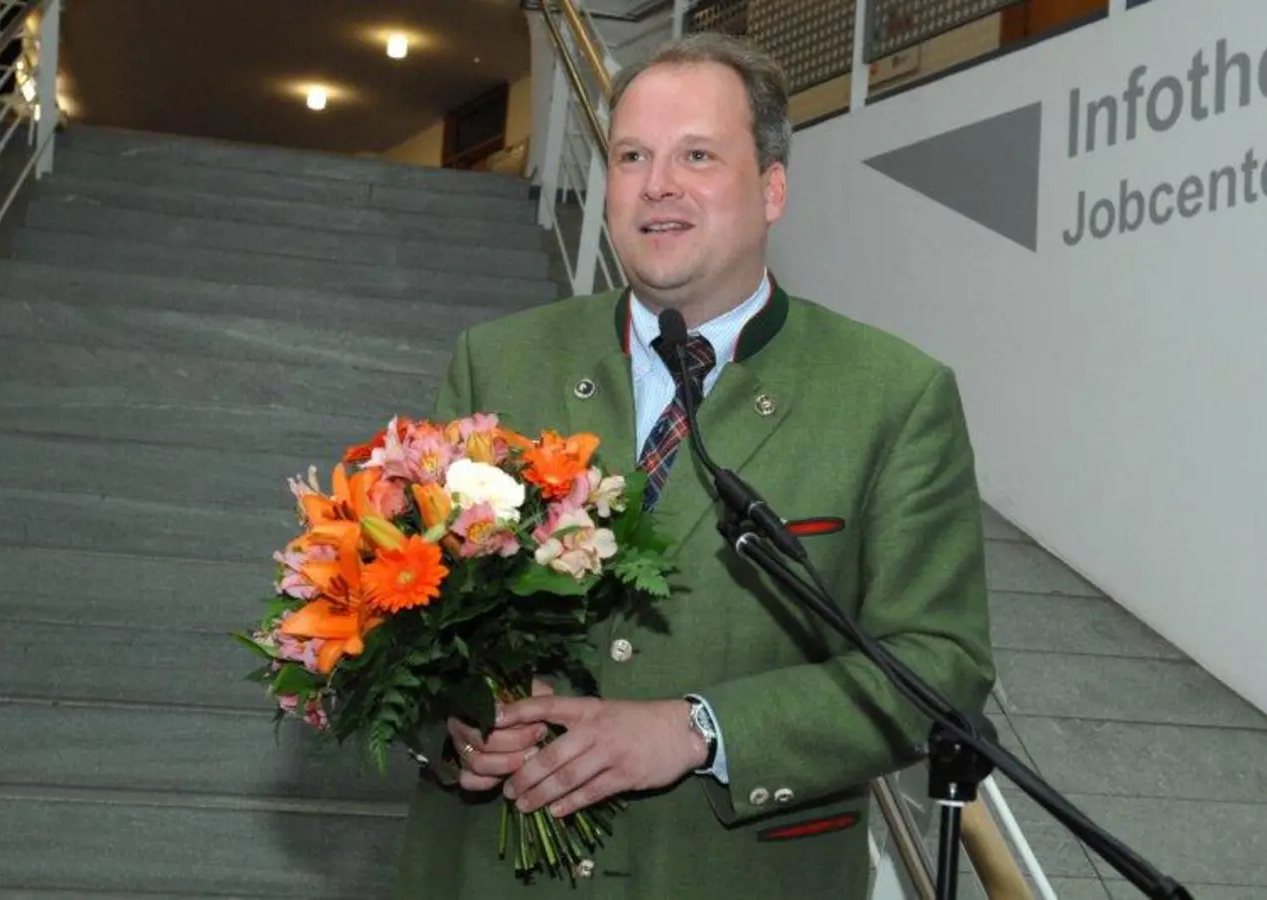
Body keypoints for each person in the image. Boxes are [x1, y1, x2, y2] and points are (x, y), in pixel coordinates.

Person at [394, 32, 996, 899]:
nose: (658, 184)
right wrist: (459, 714)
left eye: (698, 155)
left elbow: (939, 663)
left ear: (772, 189)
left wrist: (700, 730)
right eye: (633, 155)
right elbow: (413, 607)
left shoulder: (893, 397)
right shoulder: (498, 365)